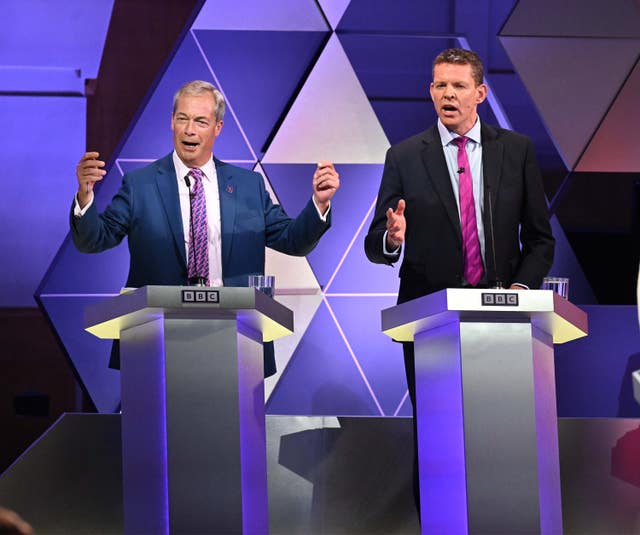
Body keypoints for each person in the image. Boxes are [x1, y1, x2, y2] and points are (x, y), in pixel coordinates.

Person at [364, 48, 554, 513]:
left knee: (499, 434)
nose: (447, 94)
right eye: (439, 85)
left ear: (481, 93)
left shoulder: (517, 150)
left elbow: (540, 240)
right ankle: (437, 520)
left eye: (458, 85)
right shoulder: (405, 156)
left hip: (503, 322)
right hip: (431, 324)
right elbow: (374, 244)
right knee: (437, 435)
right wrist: (392, 237)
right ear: (431, 92)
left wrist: (518, 292)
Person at [71, 80, 340, 376]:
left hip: (236, 336)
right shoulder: (140, 185)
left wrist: (319, 203)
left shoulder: (248, 186)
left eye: (200, 121)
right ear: (172, 122)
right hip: (157, 337)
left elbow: (293, 241)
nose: (189, 130)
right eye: (182, 119)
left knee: (229, 423)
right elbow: (94, 240)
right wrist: (85, 196)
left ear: (218, 128)